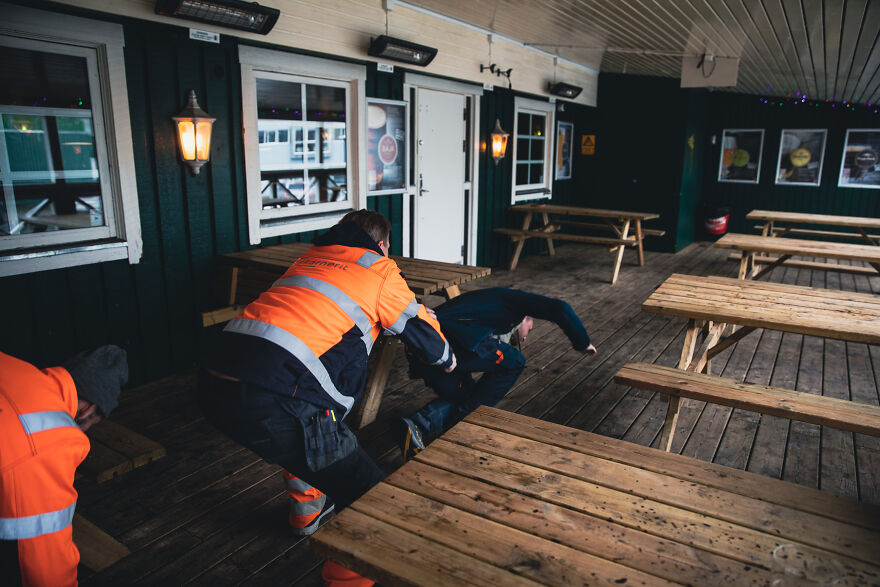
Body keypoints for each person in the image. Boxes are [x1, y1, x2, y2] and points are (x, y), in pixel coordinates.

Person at [198, 210, 453, 587]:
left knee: (307, 435)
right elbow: (432, 346)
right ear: (383, 245)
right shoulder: (381, 270)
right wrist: (450, 362)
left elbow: (321, 316)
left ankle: (306, 513)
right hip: (277, 397)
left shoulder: (309, 258)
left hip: (213, 382)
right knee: (372, 503)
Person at [396, 287, 596, 458]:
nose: (525, 338)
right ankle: (457, 428)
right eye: (529, 330)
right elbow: (560, 308)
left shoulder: (483, 306)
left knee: (469, 395)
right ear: (525, 318)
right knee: (515, 362)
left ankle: (417, 425)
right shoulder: (514, 302)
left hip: (422, 352)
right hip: (440, 346)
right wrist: (582, 342)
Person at [0, 345, 128, 587]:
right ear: (88, 410)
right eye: (94, 423)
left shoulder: (15, 367)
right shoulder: (50, 441)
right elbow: (45, 565)